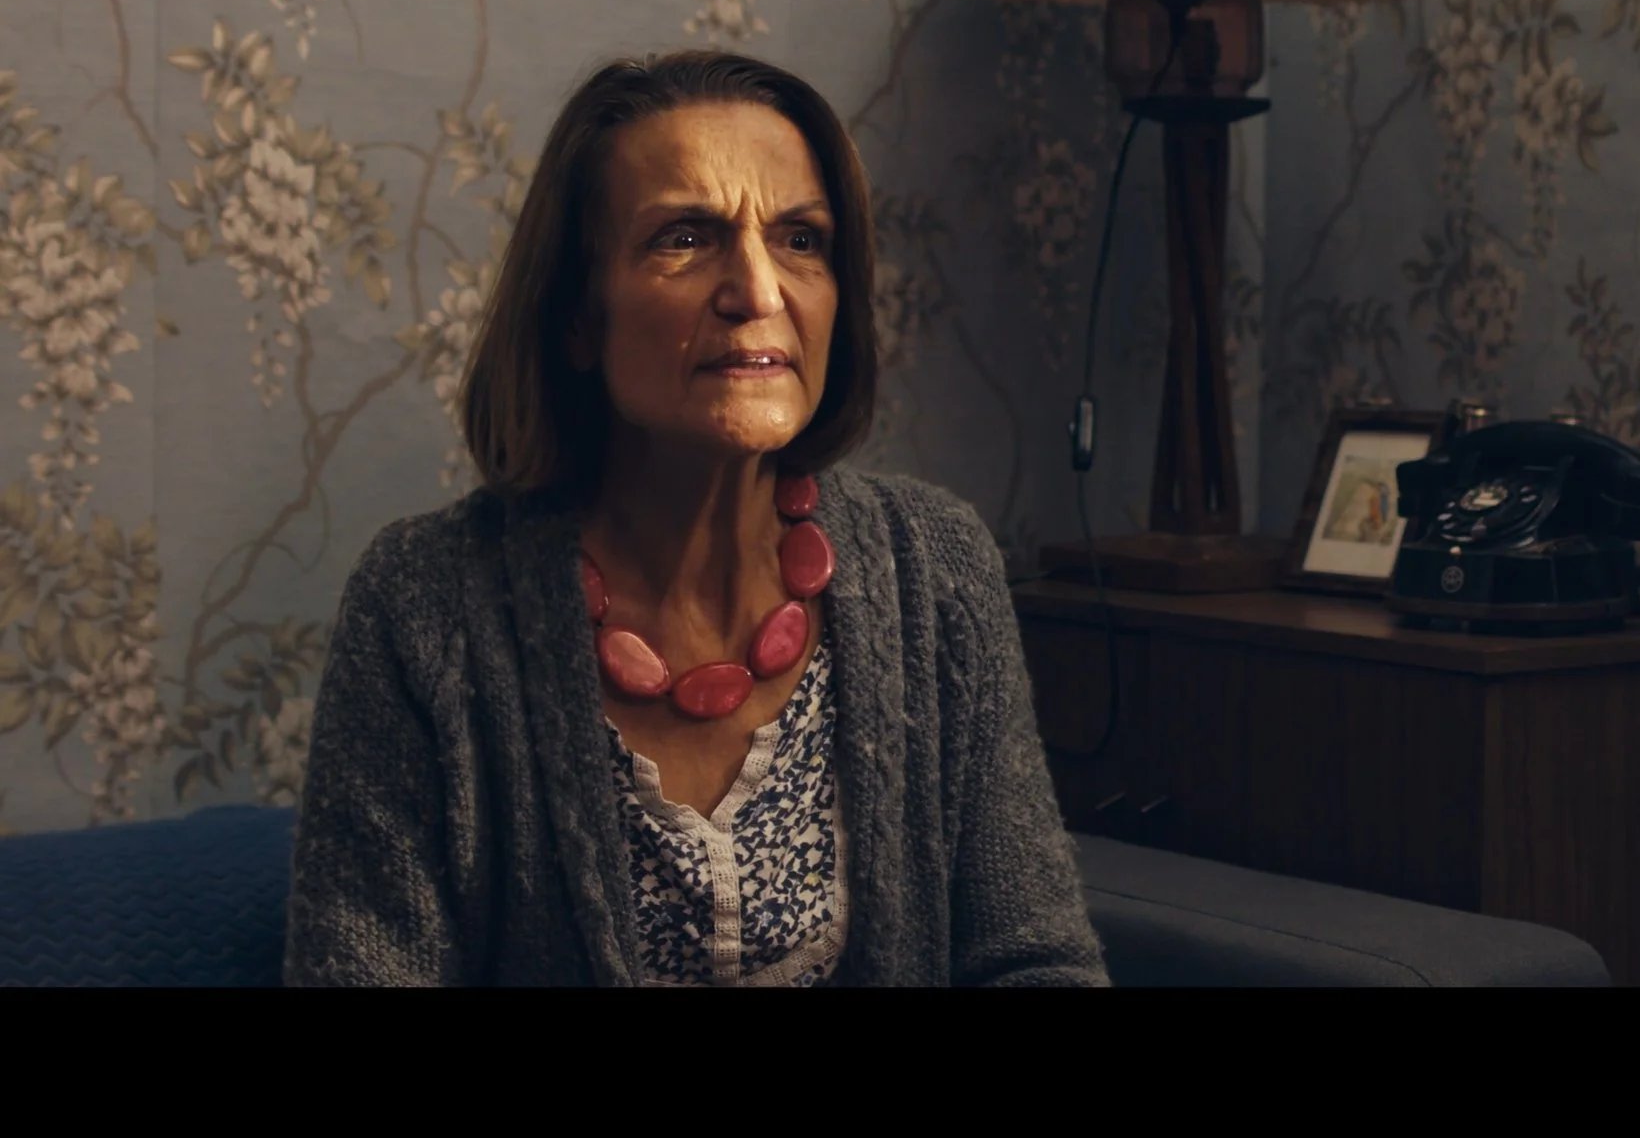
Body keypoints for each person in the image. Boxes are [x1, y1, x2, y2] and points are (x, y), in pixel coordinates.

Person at [283, 49, 1108, 986]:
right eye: (684, 237)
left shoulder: (935, 565)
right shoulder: (424, 602)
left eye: (801, 240)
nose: (759, 292)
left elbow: (1036, 961)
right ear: (578, 316)